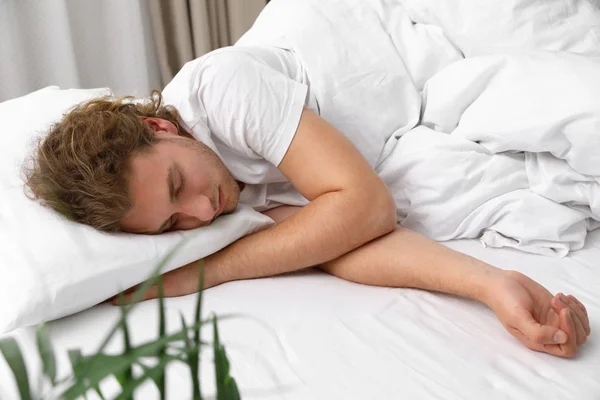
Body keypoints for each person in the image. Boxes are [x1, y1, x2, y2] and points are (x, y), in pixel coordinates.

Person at [24, 5, 590, 358]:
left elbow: (365, 209)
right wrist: (491, 286)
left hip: (405, 31)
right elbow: (335, 242)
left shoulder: (223, 88)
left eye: (177, 186)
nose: (200, 211)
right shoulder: (201, 210)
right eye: (173, 222)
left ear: (158, 125)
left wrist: (203, 273)